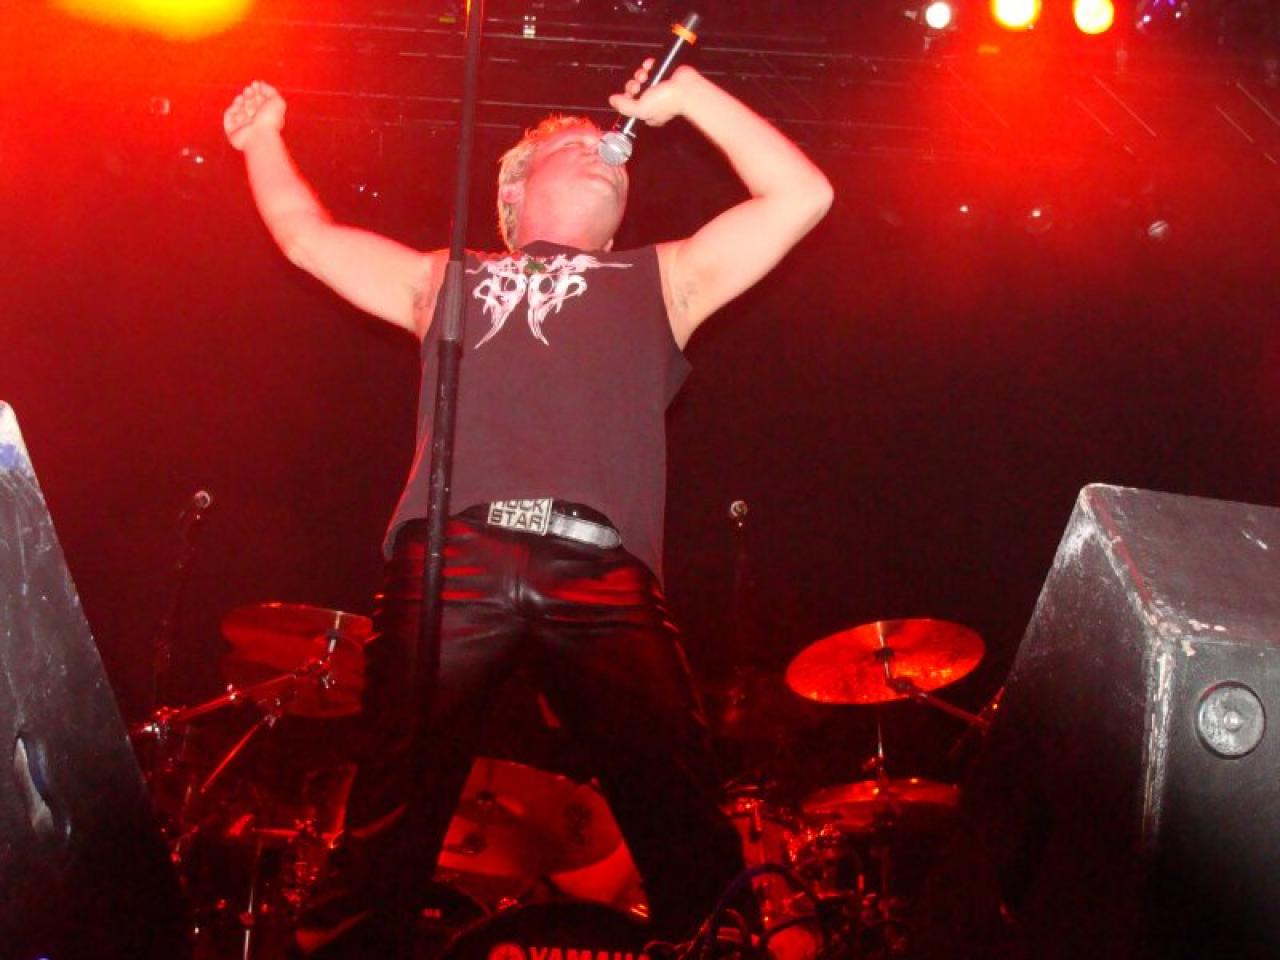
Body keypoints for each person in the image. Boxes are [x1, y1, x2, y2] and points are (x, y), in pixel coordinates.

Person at [224, 56, 832, 957]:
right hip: (452, 560)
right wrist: (261, 141)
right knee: (387, 823)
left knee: (683, 816)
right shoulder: (443, 278)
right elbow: (306, 236)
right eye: (576, 146)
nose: (607, 154)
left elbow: (802, 196)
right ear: (513, 192)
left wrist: (691, 96)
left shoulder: (662, 278)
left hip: (602, 572)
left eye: (614, 153)